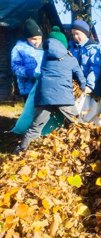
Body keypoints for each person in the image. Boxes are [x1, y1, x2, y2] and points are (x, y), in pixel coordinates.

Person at [13, 26, 86, 154]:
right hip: (64, 97)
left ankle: (20, 151)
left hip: (44, 97)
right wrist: (83, 87)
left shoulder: (45, 57)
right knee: (76, 123)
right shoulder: (70, 58)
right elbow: (80, 76)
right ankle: (83, 148)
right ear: (64, 44)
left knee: (35, 127)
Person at [11, 18, 44, 102]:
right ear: (27, 38)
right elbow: (15, 67)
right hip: (28, 88)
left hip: (43, 87)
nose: (37, 42)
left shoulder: (45, 49)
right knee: (30, 113)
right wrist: (28, 72)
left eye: (39, 38)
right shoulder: (19, 49)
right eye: (34, 39)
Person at [69, 20, 101, 97]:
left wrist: (89, 86)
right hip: (75, 86)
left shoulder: (93, 48)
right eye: (73, 34)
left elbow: (95, 67)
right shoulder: (71, 48)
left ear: (85, 33)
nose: (75, 37)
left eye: (77, 34)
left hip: (90, 88)